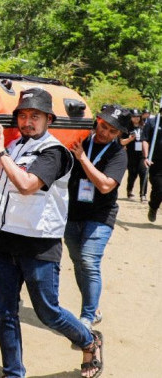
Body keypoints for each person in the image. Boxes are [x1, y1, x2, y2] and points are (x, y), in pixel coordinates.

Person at [0, 88, 103, 378]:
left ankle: (89, 340)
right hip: (4, 240)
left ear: (49, 118)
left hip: (39, 245)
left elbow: (25, 184)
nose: (27, 122)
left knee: (47, 311)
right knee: (4, 312)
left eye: (34, 116)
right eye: (22, 116)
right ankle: (14, 373)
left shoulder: (55, 152)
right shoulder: (15, 148)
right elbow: (4, 177)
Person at [65, 105, 129, 332]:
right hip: (72, 213)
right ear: (98, 120)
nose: (105, 133)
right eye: (104, 126)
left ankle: (87, 317)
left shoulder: (118, 154)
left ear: (119, 135)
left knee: (89, 261)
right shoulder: (80, 139)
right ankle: (94, 307)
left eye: (112, 131)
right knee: (78, 262)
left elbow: (104, 186)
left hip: (101, 215)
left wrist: (82, 158)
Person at [120, 108, 147, 201]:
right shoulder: (126, 128)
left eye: (138, 116)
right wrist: (130, 139)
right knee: (132, 174)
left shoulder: (144, 126)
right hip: (131, 154)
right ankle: (129, 191)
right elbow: (122, 142)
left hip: (142, 154)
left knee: (144, 173)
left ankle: (143, 194)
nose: (136, 118)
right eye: (134, 117)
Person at [143, 110, 162, 222]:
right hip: (156, 162)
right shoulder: (152, 122)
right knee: (159, 189)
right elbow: (145, 140)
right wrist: (146, 157)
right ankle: (153, 207)